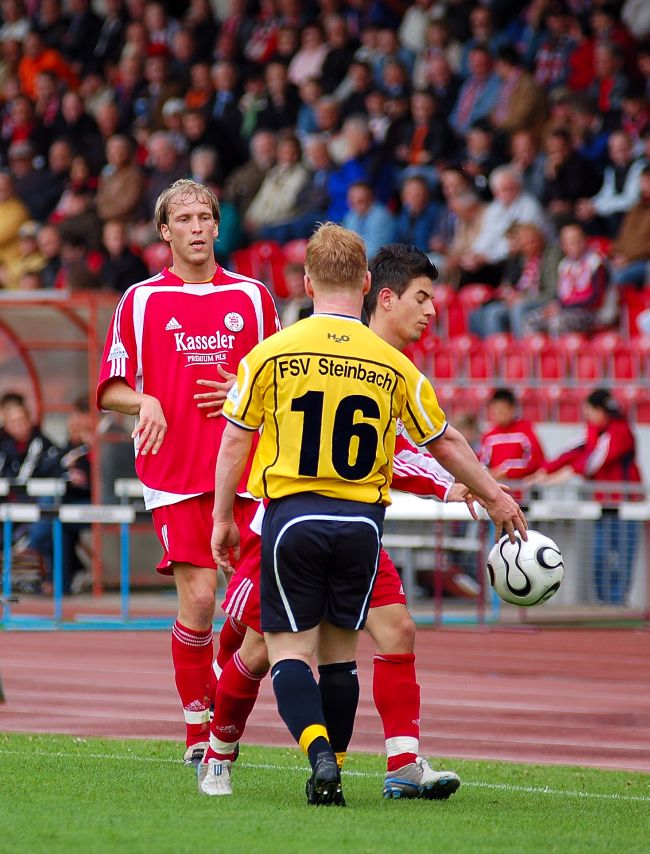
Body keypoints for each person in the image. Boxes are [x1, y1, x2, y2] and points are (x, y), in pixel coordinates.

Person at [209, 224, 527, 804]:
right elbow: (440, 442)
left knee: (294, 649)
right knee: (319, 653)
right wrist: (491, 493)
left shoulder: (272, 352)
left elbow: (236, 441)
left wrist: (220, 516)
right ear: (367, 286)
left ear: (307, 283)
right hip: (352, 521)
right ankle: (243, 752)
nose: (430, 311)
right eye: (422, 297)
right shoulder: (391, 365)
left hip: (294, 517)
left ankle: (325, 759)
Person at [96, 178, 281, 767]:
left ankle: (222, 676)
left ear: (217, 226)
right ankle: (198, 730)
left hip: (249, 473)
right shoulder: (140, 301)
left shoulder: (253, 297)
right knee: (200, 600)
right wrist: (143, 401)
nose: (197, 227)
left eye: (205, 217)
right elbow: (111, 388)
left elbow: (284, 379)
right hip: (174, 473)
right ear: (164, 231)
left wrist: (244, 388)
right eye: (184, 219)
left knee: (257, 609)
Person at [529, 389, 642, 605]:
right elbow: (570, 451)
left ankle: (617, 603)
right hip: (602, 505)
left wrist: (565, 474)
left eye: (589, 411)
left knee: (622, 557)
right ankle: (603, 601)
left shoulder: (620, 431)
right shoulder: (592, 432)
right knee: (599, 556)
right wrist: (544, 470)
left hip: (625, 507)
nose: (587, 415)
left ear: (599, 410)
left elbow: (594, 460)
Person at [479, 389, 545, 486]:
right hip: (496, 489)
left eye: (502, 410)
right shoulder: (489, 436)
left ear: (512, 409)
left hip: (522, 488)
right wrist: (490, 473)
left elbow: (535, 461)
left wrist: (507, 470)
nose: (498, 414)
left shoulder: (525, 431)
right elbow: (482, 463)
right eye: (495, 410)